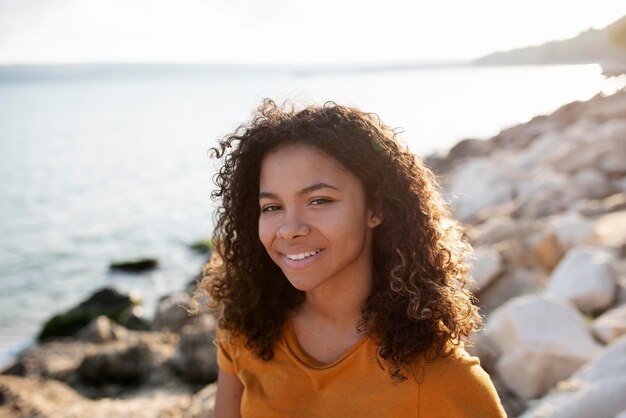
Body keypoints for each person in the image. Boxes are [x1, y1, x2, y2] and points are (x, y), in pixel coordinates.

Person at [194, 99, 507, 417]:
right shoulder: (246, 330)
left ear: (375, 208)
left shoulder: (443, 379)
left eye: (319, 200)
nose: (289, 230)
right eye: (272, 207)